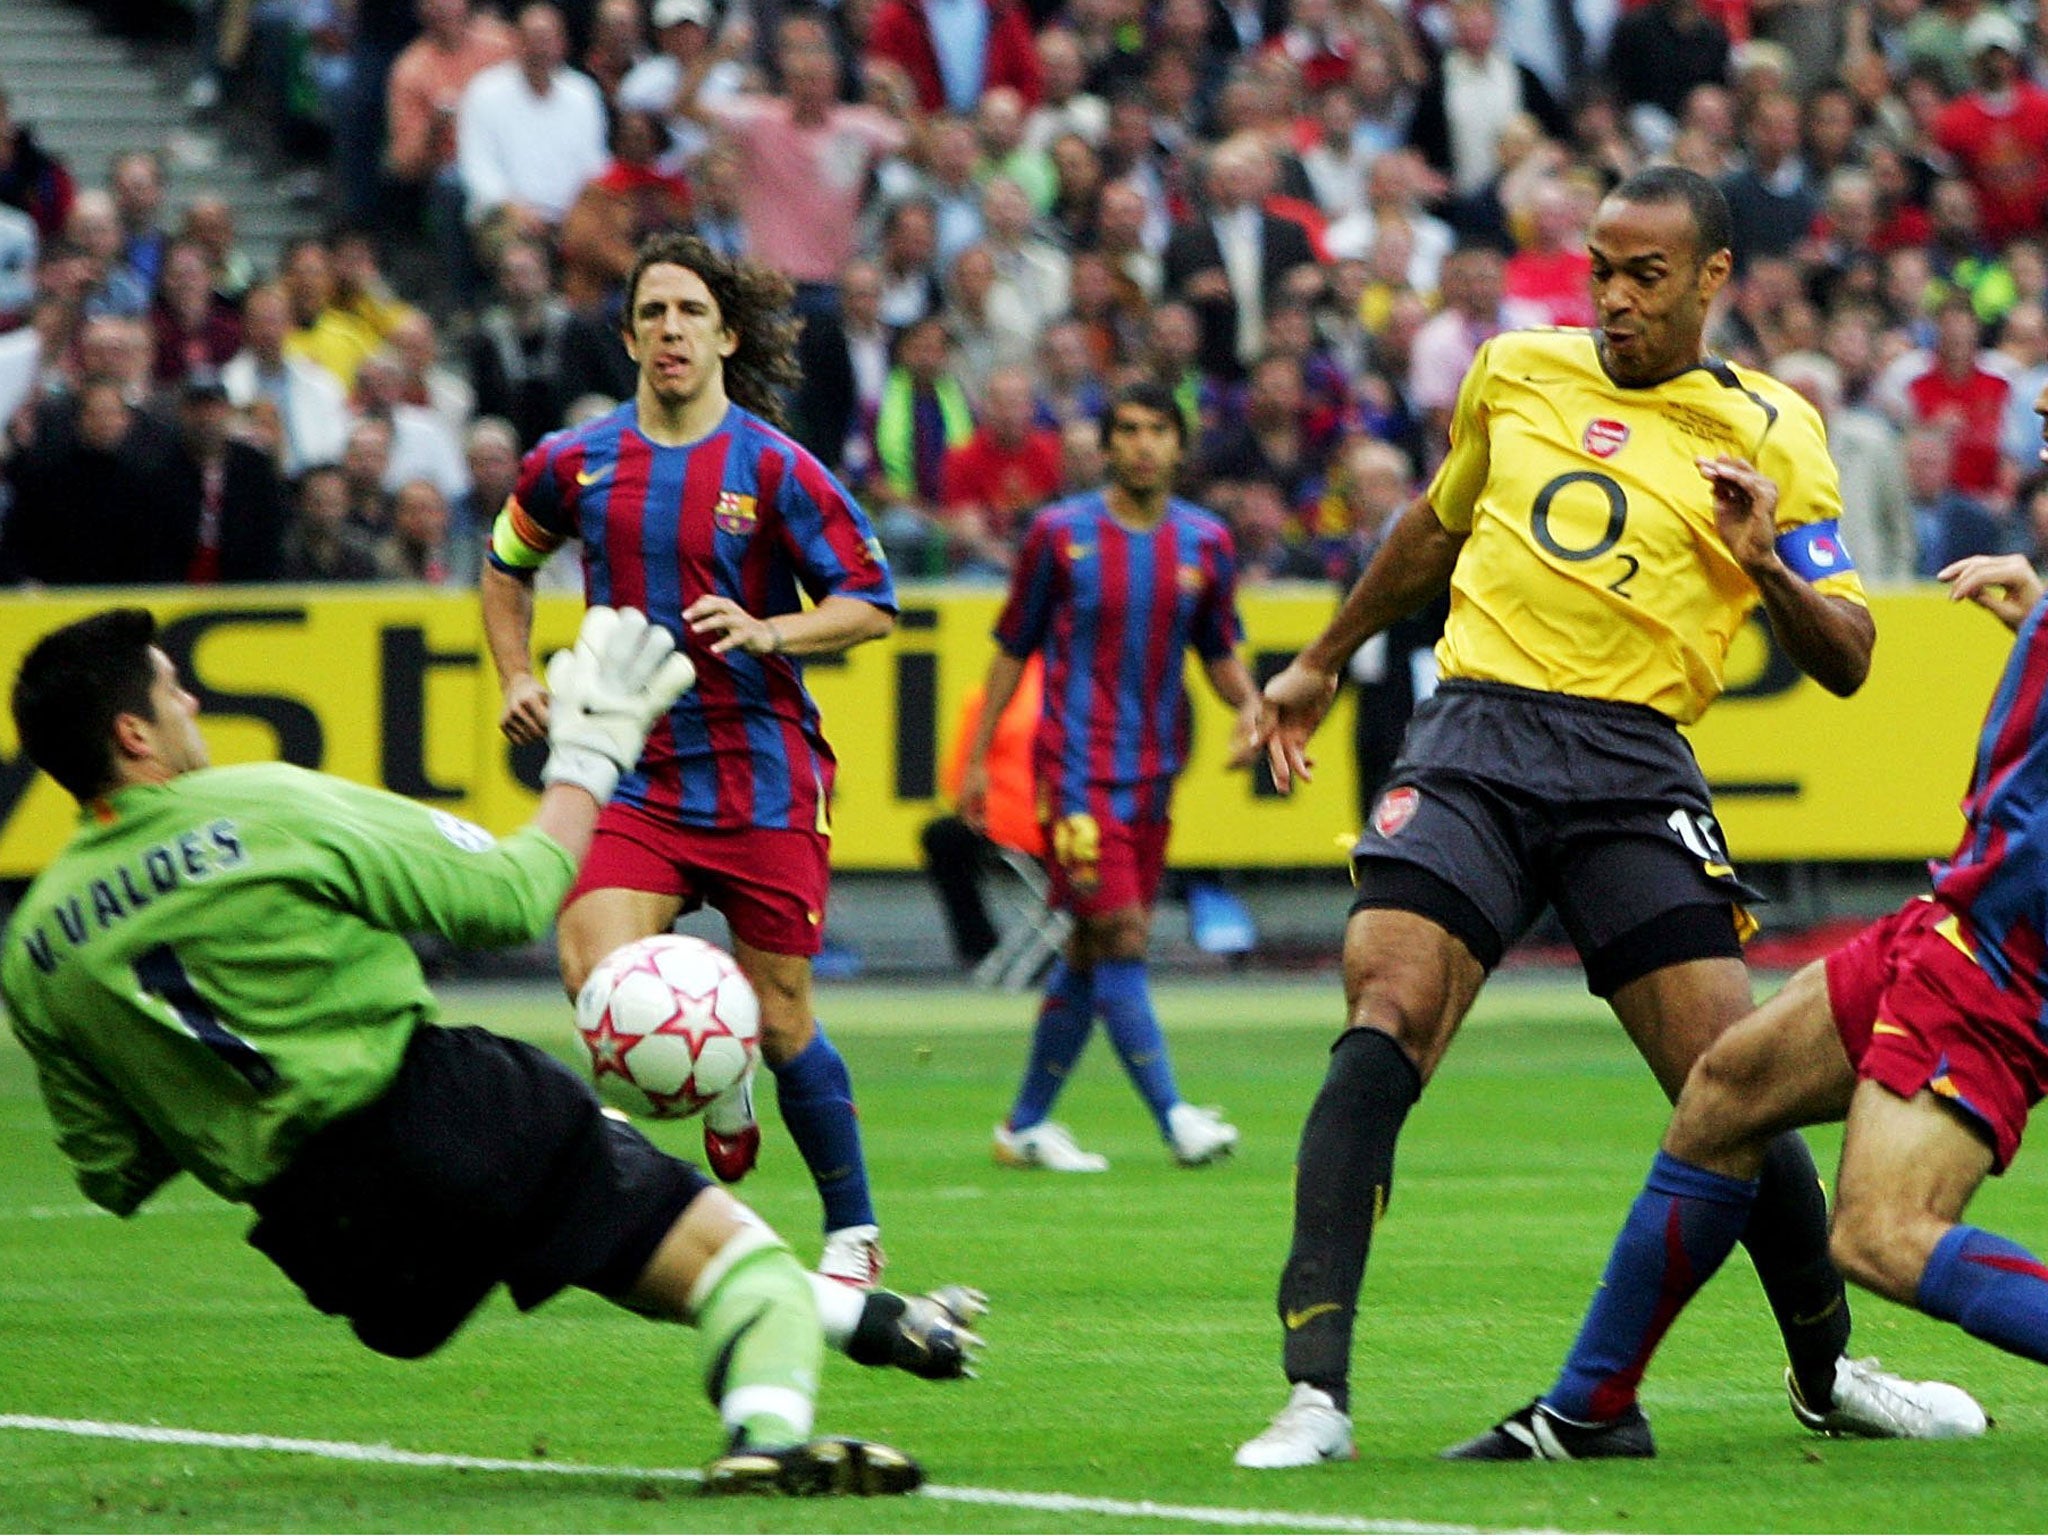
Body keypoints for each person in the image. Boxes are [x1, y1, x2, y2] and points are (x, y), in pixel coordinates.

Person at [1230, 166, 1982, 1469]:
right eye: (1600, 270)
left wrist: (1757, 565)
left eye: (1647, 275)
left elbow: (1851, 650)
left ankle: (1830, 1369)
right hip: (1475, 734)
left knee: (1728, 1082)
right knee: (1385, 1013)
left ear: (1712, 280)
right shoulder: (1516, 370)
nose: (1616, 299)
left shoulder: (1772, 428)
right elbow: (1435, 527)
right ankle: (1316, 1393)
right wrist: (1324, 655)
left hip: (1635, 765)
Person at [0, 604, 975, 1495]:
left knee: (613, 1231)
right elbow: (506, 897)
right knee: (733, 1266)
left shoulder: (38, 944)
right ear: (135, 735)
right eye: (173, 689)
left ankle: (885, 1323)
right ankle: (764, 1432)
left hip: (329, 1237)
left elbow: (112, 1174)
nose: (192, 699)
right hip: (450, 1111)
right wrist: (589, 757)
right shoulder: (263, 807)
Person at [1445, 532, 2048, 1458]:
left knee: (1882, 1236)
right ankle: (1590, 1411)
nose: (2044, 444)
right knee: (1726, 1093)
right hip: (1951, 918)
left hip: (2004, 957)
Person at [481, 232, 900, 1288]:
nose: (670, 330)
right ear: (628, 336)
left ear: (726, 335)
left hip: (759, 772)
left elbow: (869, 604)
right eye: (652, 313)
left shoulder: (775, 466)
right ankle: (681, 1156)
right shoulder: (573, 461)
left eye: (689, 312)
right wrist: (514, 677)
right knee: (598, 984)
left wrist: (771, 630)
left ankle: (850, 1234)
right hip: (630, 773)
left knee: (785, 1012)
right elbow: (506, 564)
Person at [962, 383, 1262, 1173]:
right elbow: (1010, 647)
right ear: (1106, 445)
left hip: (1155, 772)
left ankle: (1024, 1125)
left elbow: (1219, 649)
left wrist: (1254, 709)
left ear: (1178, 445)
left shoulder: (1206, 542)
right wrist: (975, 762)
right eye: (1126, 430)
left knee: (1095, 949)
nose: (1140, 445)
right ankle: (1175, 1116)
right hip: (1075, 771)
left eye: (1155, 429)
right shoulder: (1059, 534)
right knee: (1123, 931)